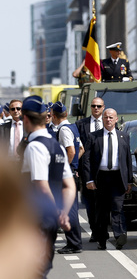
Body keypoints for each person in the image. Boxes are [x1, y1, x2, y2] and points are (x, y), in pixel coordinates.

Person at [17, 95, 76, 279]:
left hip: (39, 220)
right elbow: (69, 185)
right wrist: (63, 212)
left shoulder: (35, 147)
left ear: (27, 120)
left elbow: (40, 186)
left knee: (34, 275)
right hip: (49, 219)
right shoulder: (55, 146)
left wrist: (55, 212)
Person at [82, 108, 133, 250]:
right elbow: (86, 160)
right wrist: (89, 180)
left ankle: (119, 235)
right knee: (102, 210)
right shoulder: (94, 137)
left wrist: (129, 180)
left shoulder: (123, 136)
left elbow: (127, 159)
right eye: (106, 117)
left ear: (116, 119)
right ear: (102, 120)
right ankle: (102, 238)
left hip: (118, 177)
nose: (108, 120)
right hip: (101, 178)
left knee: (117, 208)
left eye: (111, 117)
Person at [51, 102, 84, 254]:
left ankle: (74, 243)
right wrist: (74, 165)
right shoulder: (72, 127)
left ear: (55, 116)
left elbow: (71, 151)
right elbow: (81, 149)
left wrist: (65, 168)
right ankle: (74, 242)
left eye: (51, 115)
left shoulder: (64, 130)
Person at [75, 97, 105, 242]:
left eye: (99, 106)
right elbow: (77, 147)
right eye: (93, 106)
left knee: (104, 202)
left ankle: (103, 230)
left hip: (106, 169)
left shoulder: (110, 123)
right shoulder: (81, 124)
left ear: (103, 107)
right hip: (87, 170)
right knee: (90, 203)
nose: (96, 108)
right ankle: (95, 231)